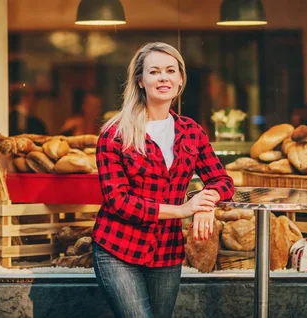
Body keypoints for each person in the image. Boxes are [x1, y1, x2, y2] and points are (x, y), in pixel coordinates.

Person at [92, 42, 235, 318]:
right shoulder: (115, 134)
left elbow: (222, 179)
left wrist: (206, 203)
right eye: (154, 71)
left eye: (170, 71)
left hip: (166, 252)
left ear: (180, 80)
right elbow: (118, 201)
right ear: (141, 81)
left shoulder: (191, 131)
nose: (163, 78)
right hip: (118, 249)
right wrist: (182, 210)